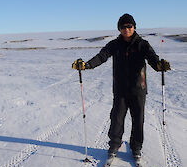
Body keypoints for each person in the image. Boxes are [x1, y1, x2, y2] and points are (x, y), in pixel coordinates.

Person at [72, 13, 170, 159]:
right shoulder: (115, 44)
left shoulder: (142, 44)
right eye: (123, 27)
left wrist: (159, 65)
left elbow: (152, 59)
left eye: (129, 26)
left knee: (138, 120)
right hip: (120, 89)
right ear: (119, 29)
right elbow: (102, 56)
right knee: (117, 118)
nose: (126, 29)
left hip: (138, 89)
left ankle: (136, 147)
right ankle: (114, 144)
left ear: (134, 27)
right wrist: (86, 65)